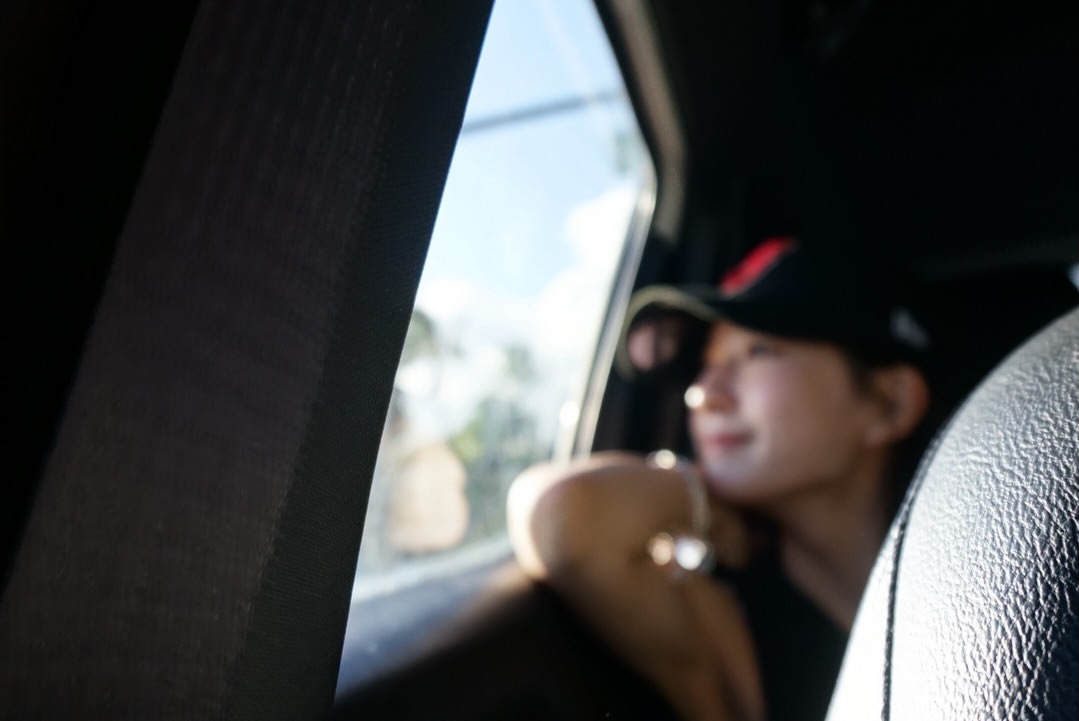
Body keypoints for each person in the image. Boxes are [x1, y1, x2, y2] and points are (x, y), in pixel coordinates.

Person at [507, 237, 937, 721]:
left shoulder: (987, 566)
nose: (703, 395)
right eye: (709, 364)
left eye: (758, 350)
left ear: (890, 403)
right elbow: (562, 513)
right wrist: (704, 506)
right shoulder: (736, 628)